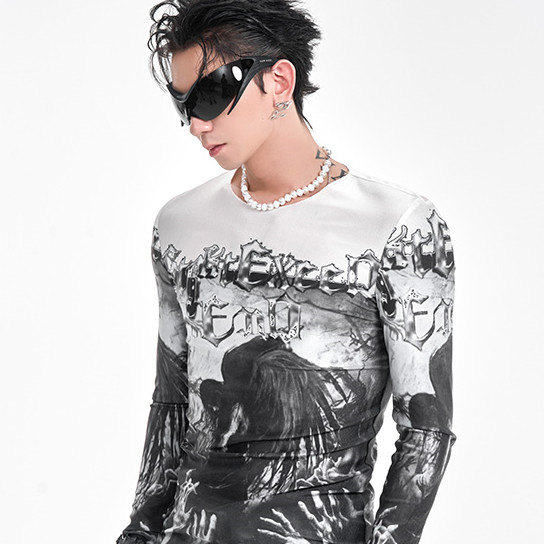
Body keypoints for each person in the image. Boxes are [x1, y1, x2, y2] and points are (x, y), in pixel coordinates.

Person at [116, 1, 457, 543]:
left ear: (279, 80)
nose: (197, 124)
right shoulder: (178, 225)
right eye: (184, 105)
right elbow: (173, 406)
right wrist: (138, 534)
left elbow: (425, 428)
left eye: (211, 93)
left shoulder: (399, 227)